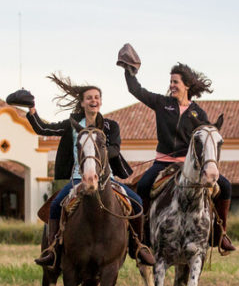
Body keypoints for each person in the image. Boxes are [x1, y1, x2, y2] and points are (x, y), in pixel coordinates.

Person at [21, 74, 155, 268]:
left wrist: (97, 153)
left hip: (107, 180)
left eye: (97, 97)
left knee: (137, 202)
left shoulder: (110, 126)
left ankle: (138, 246)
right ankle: (52, 250)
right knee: (56, 205)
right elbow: (44, 129)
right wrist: (32, 110)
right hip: (77, 179)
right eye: (89, 97)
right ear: (82, 103)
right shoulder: (72, 124)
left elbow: (116, 149)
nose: (94, 100)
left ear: (100, 102)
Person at [119, 51, 235, 254]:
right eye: (171, 82)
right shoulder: (162, 104)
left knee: (225, 186)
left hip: (189, 166)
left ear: (186, 85)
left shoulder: (199, 113)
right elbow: (135, 89)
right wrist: (129, 70)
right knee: (143, 185)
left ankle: (220, 234)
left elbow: (204, 141)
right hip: (162, 163)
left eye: (175, 82)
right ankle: (140, 238)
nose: (172, 85)